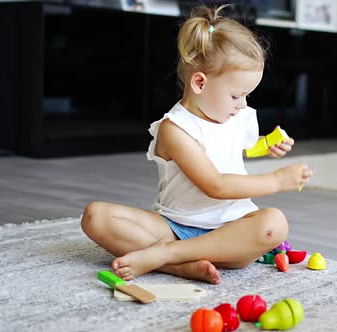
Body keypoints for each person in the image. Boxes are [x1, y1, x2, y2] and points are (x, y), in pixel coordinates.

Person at [81, 5, 312, 285]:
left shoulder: (233, 113)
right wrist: (276, 181)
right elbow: (215, 185)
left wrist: (265, 146)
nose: (242, 105)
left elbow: (233, 149)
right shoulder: (175, 130)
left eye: (247, 95)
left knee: (274, 224)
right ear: (200, 83)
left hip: (230, 231)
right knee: (95, 216)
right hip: (175, 227)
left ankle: (168, 255)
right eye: (237, 95)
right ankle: (177, 263)